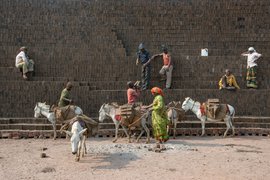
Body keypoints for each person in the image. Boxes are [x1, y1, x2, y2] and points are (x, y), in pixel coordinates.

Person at [146, 87, 169, 151]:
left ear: (155, 93)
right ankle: (157, 144)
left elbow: (160, 106)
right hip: (155, 116)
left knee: (159, 128)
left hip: (159, 116)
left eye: (152, 92)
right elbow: (153, 104)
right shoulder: (156, 97)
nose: (152, 93)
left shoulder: (159, 97)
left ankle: (162, 145)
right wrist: (147, 107)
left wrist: (152, 108)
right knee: (156, 129)